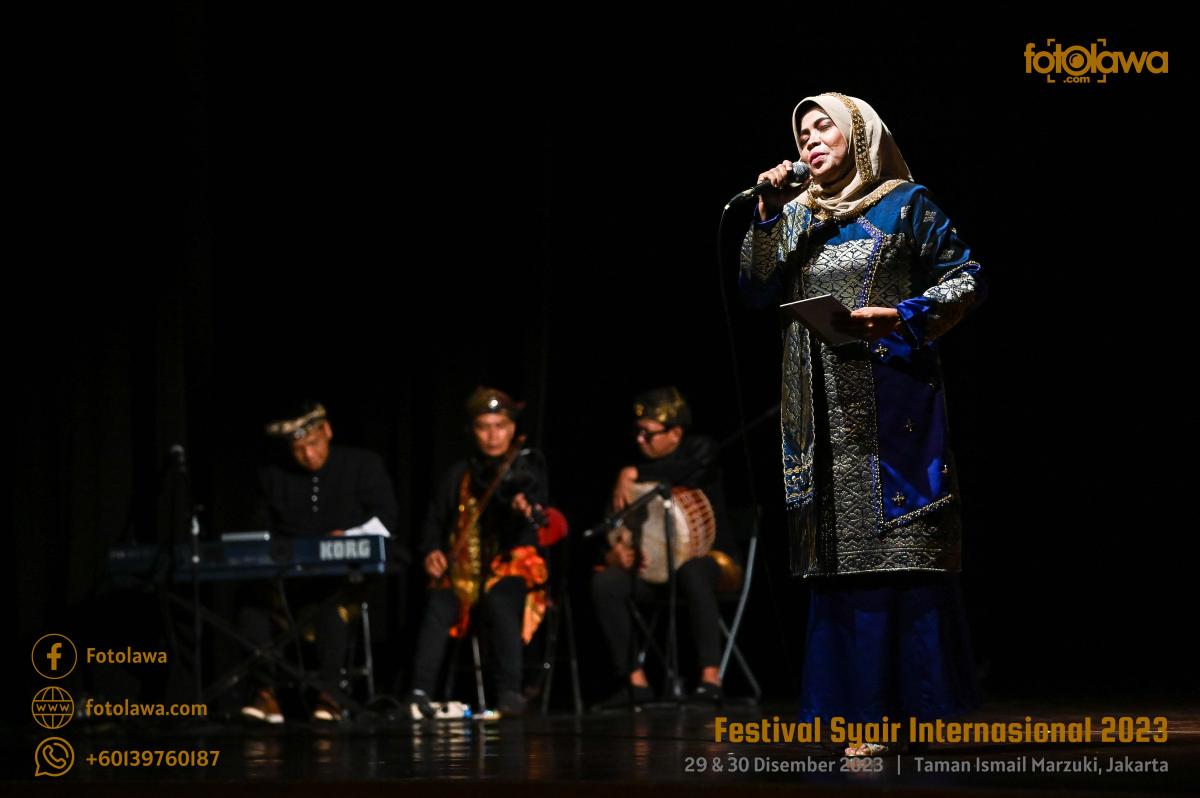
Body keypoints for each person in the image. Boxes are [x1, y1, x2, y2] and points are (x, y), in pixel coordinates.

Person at [740, 93, 984, 754]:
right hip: (819, 413)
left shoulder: (905, 204)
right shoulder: (797, 214)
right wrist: (767, 213)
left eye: (825, 127)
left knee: (897, 558)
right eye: (802, 132)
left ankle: (916, 717)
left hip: (892, 404)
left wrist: (903, 314)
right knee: (838, 564)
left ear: (861, 134)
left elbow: (967, 277)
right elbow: (756, 288)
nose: (811, 139)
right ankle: (851, 716)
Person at [239, 400, 400, 724]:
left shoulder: (362, 465)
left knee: (328, 605)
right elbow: (261, 531)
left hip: (344, 579)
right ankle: (265, 694)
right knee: (250, 608)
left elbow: (386, 519)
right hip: (290, 579)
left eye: (313, 444)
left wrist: (348, 536)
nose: (308, 455)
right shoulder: (273, 476)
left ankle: (330, 696)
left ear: (327, 431)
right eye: (299, 449)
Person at [591, 387, 740, 710]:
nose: (640, 440)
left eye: (648, 433)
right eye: (638, 432)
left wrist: (633, 473)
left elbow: (687, 470)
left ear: (675, 433)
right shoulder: (632, 473)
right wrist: (615, 553)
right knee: (607, 583)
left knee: (693, 570)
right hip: (659, 573)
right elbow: (613, 525)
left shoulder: (701, 451)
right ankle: (636, 683)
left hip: (712, 564)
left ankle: (710, 680)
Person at [406, 387, 549, 718]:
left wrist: (522, 506)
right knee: (438, 602)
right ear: (472, 431)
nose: (493, 436)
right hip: (466, 572)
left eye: (500, 427)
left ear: (512, 429)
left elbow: (538, 519)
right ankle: (418, 692)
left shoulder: (527, 469)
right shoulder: (458, 475)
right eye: (484, 427)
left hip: (513, 568)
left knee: (499, 598)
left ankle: (509, 691)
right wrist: (432, 551)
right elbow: (434, 523)